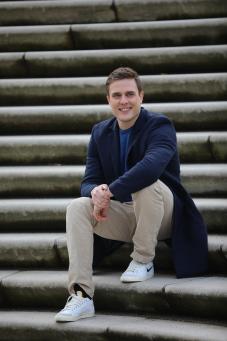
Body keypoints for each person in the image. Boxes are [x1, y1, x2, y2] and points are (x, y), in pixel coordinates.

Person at [55, 67, 208, 322]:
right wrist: (96, 191)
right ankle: (81, 296)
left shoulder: (160, 125)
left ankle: (143, 259)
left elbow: (150, 168)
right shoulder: (100, 132)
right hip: (125, 215)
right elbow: (89, 180)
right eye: (117, 95)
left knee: (147, 183)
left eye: (129, 94)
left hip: (164, 215)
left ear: (141, 96)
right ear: (108, 100)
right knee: (77, 207)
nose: (123, 101)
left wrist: (111, 190)